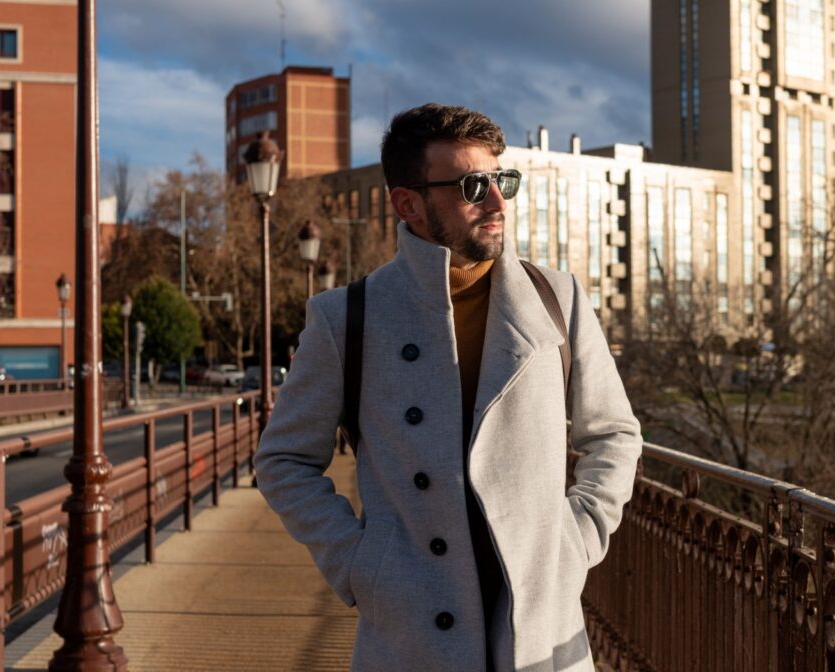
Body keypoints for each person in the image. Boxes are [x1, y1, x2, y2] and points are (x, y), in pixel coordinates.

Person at [254, 103, 642, 672]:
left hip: (540, 624)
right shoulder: (348, 317)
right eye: (471, 185)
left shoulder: (558, 300)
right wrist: (360, 562)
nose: (497, 202)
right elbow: (284, 459)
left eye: (501, 180)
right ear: (407, 203)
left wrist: (576, 538)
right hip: (411, 630)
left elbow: (614, 434)